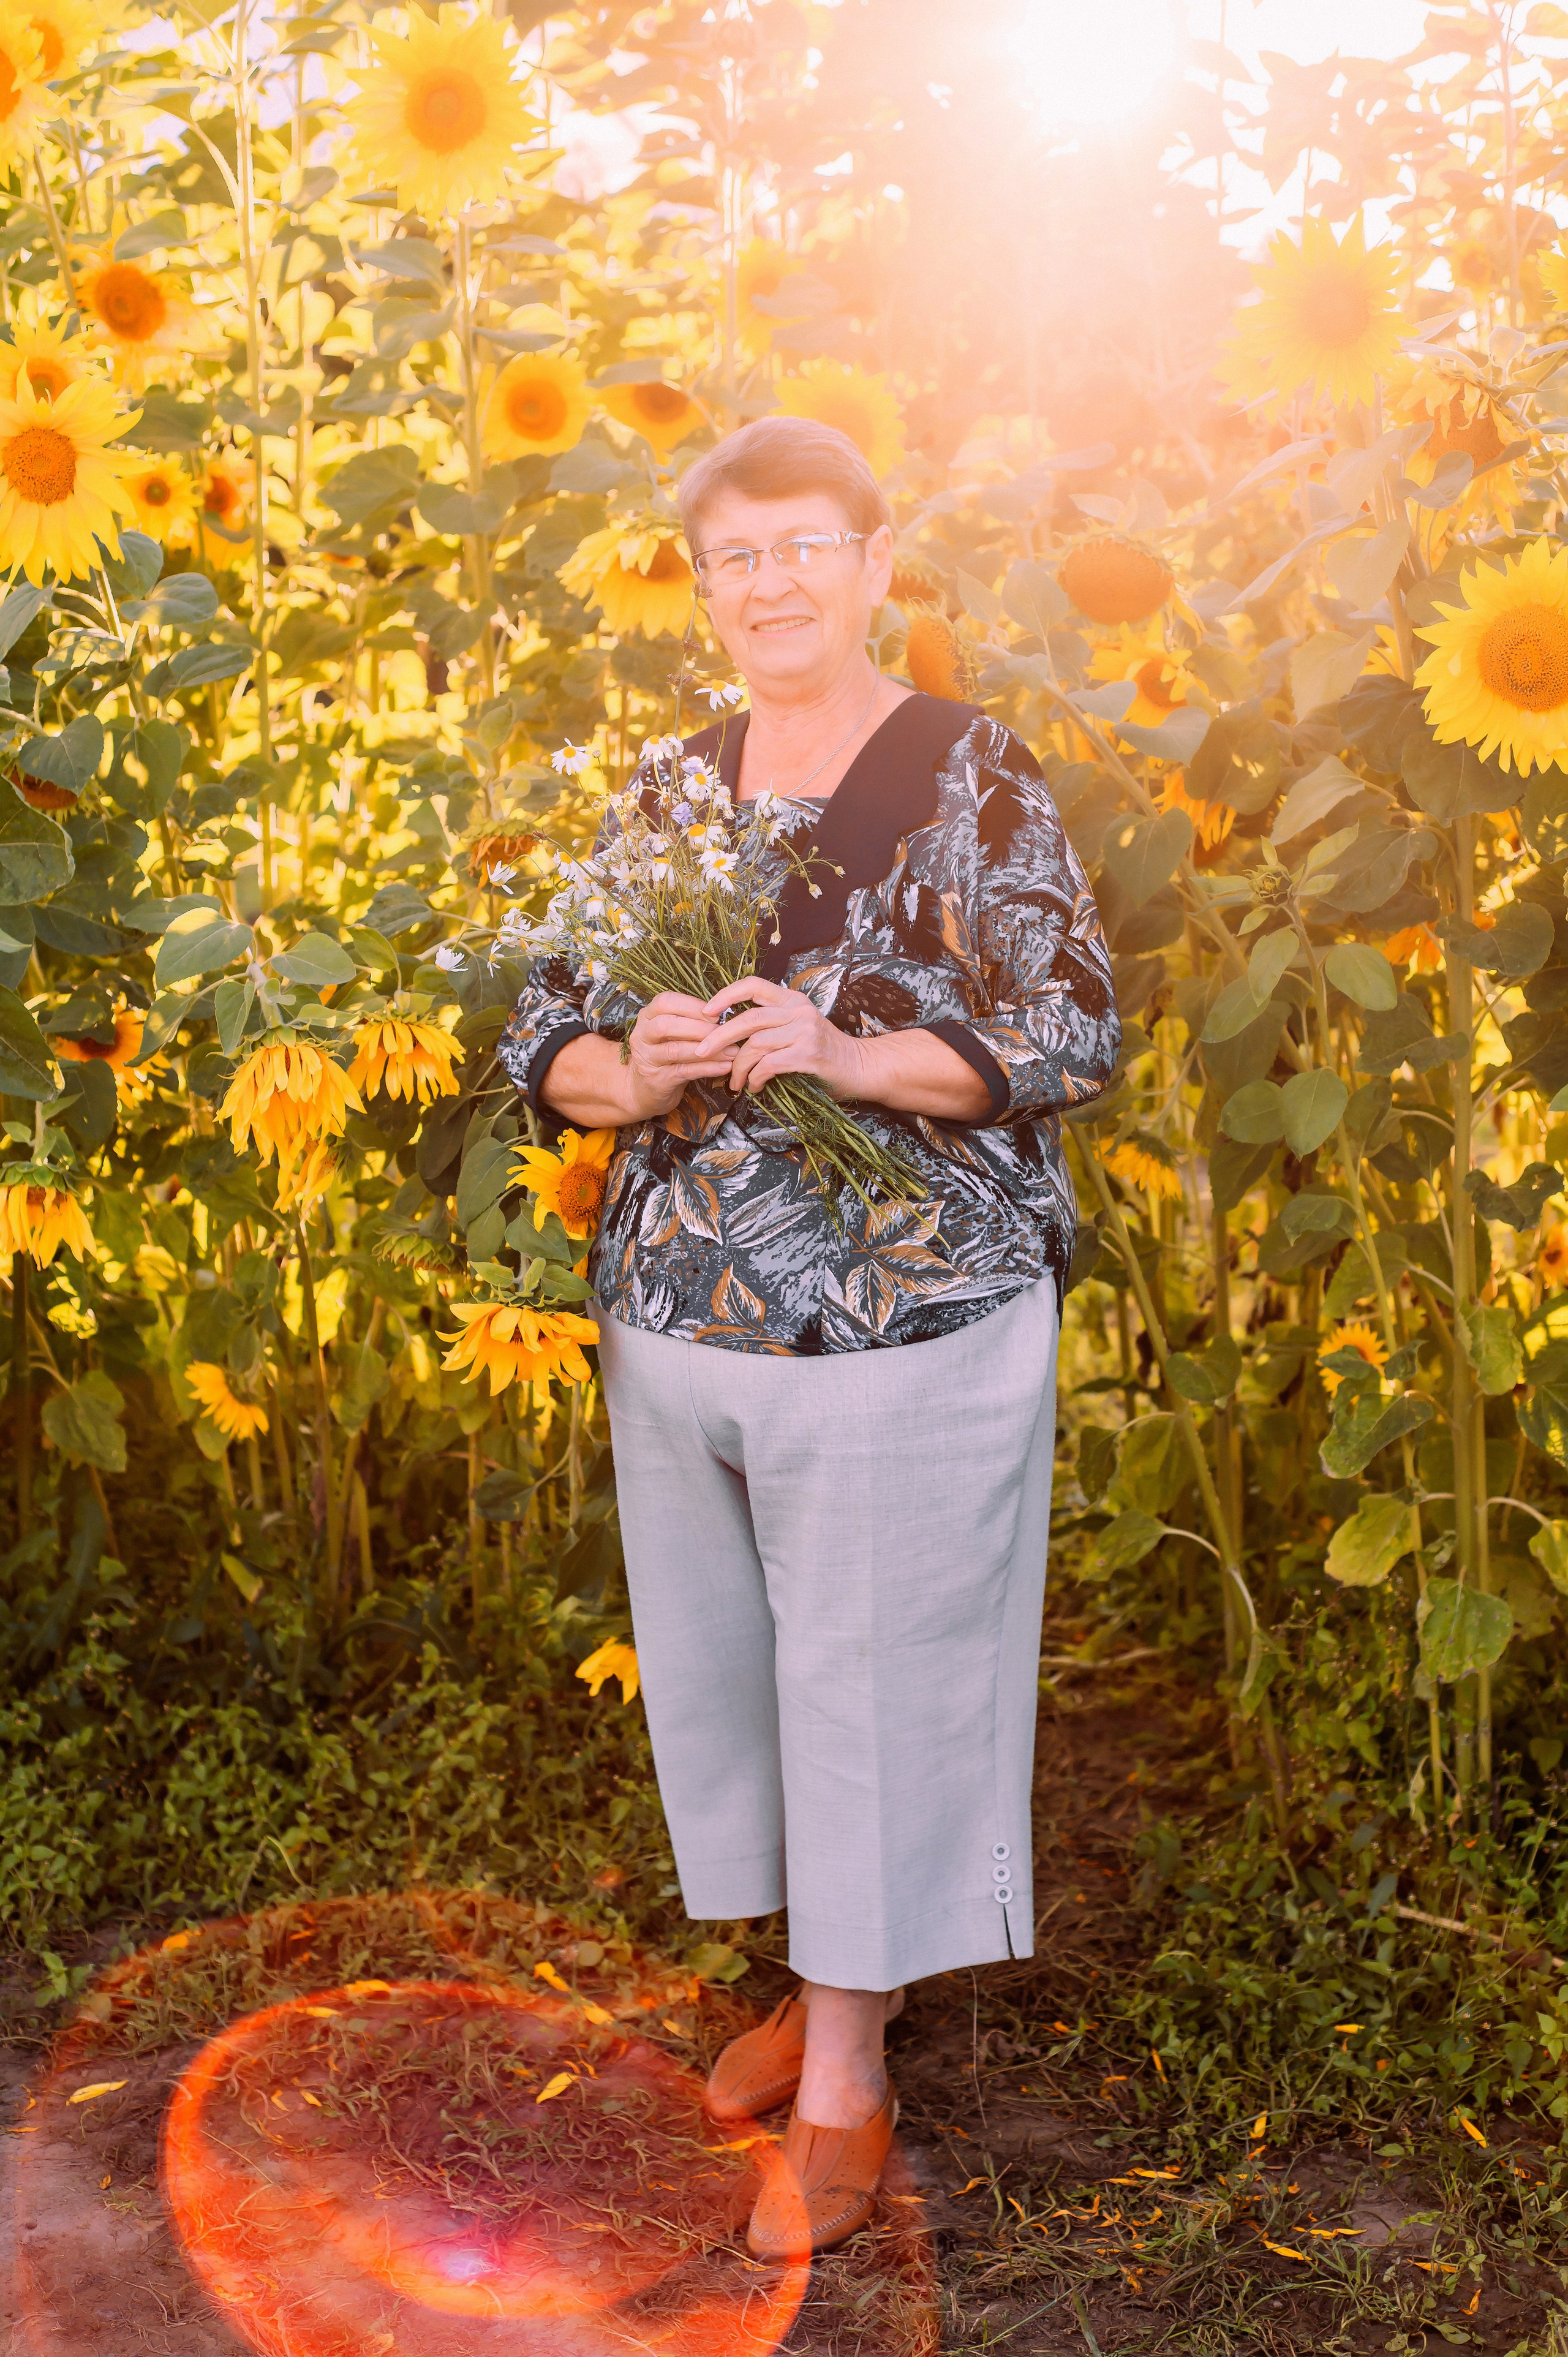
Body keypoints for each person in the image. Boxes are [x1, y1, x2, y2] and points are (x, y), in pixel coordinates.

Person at [500, 415, 1120, 2258]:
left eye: (803, 547)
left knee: (874, 1681)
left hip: (903, 1323)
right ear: (705, 586)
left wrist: (846, 1058)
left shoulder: (969, 772)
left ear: (874, 560)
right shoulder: (671, 777)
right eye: (735, 558)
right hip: (682, 1315)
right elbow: (549, 1007)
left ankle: (850, 2073)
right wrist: (630, 1066)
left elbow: (1077, 1026)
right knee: (748, 1682)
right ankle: (820, 1978)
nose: (769, 584)